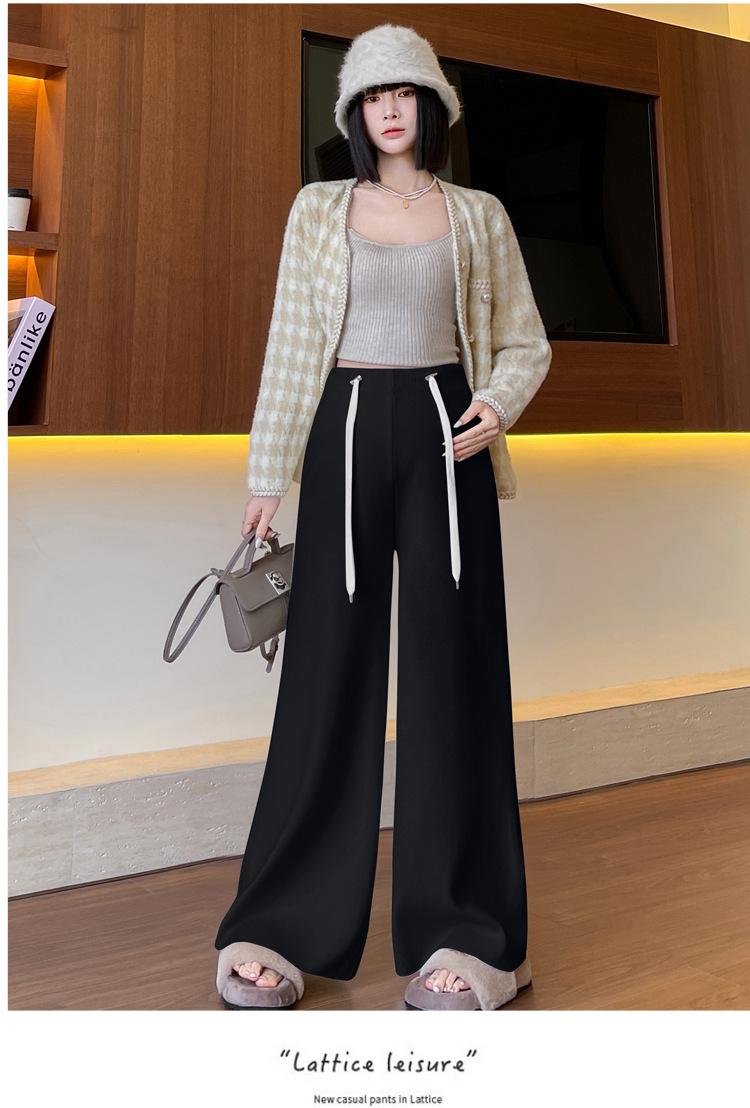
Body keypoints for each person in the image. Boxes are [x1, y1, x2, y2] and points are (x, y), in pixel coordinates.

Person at [214, 22, 551, 1011]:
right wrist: (268, 476)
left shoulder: (477, 214)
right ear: (353, 114)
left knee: (457, 675)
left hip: (449, 438)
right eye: (371, 96)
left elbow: (524, 343)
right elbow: (290, 345)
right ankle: (279, 927)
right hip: (346, 428)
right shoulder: (318, 208)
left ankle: (473, 938)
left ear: (433, 105)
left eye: (405, 92)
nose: (390, 109)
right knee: (326, 675)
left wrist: (496, 404)